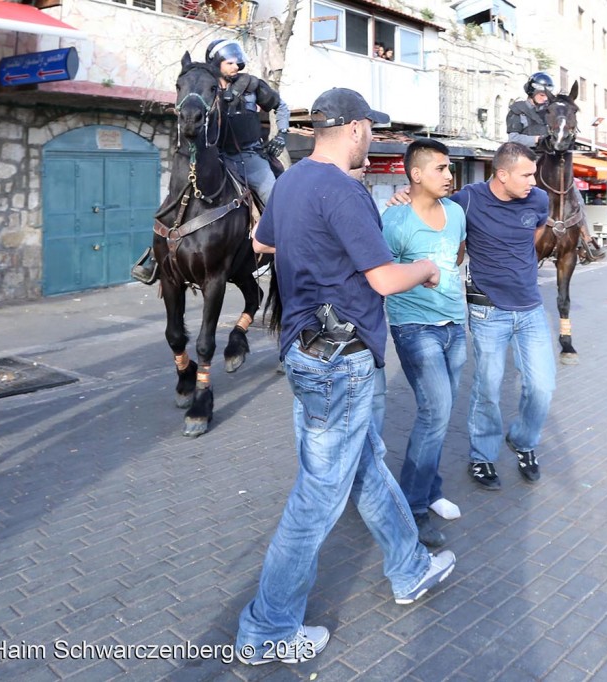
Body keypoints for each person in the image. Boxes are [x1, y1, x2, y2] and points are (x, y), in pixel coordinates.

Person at [235, 88, 455, 665]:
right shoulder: (344, 190)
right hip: (342, 363)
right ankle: (267, 631)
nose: (374, 140)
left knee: (364, 467)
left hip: (306, 353)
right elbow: (383, 280)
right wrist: (428, 267)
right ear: (355, 128)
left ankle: (409, 568)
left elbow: (262, 243)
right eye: (371, 131)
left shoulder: (292, 182)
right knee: (316, 500)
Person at [131, 40, 290, 284]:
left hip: (251, 158)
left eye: (237, 61)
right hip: (217, 158)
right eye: (230, 62)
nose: (236, 65)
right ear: (216, 63)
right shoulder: (205, 87)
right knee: (175, 198)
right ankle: (156, 253)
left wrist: (282, 134)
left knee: (274, 196)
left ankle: (288, 247)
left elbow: (281, 106)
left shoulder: (252, 85)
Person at [454, 142, 557, 490]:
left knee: (542, 386)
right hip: (488, 313)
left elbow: (536, 233)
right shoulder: (469, 199)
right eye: (526, 174)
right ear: (501, 174)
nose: (533, 181)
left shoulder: (538, 200)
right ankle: (482, 456)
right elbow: (431, 212)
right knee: (488, 388)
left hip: (530, 309)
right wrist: (403, 198)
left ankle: (523, 441)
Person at [381, 139, 467, 548]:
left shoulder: (456, 213)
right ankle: (413, 507)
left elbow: (459, 256)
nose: (449, 176)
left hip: (455, 325)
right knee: (436, 412)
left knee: (440, 414)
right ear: (415, 175)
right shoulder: (396, 220)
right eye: (440, 168)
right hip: (415, 327)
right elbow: (380, 270)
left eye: (450, 168)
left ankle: (430, 490)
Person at [506, 72, 605, 263]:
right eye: (541, 95)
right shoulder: (517, 110)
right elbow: (513, 138)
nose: (544, 99)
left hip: (549, 159)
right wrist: (537, 139)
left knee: (574, 194)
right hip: (523, 158)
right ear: (531, 92)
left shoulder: (550, 111)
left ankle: (585, 240)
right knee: (501, 190)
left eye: (546, 96)